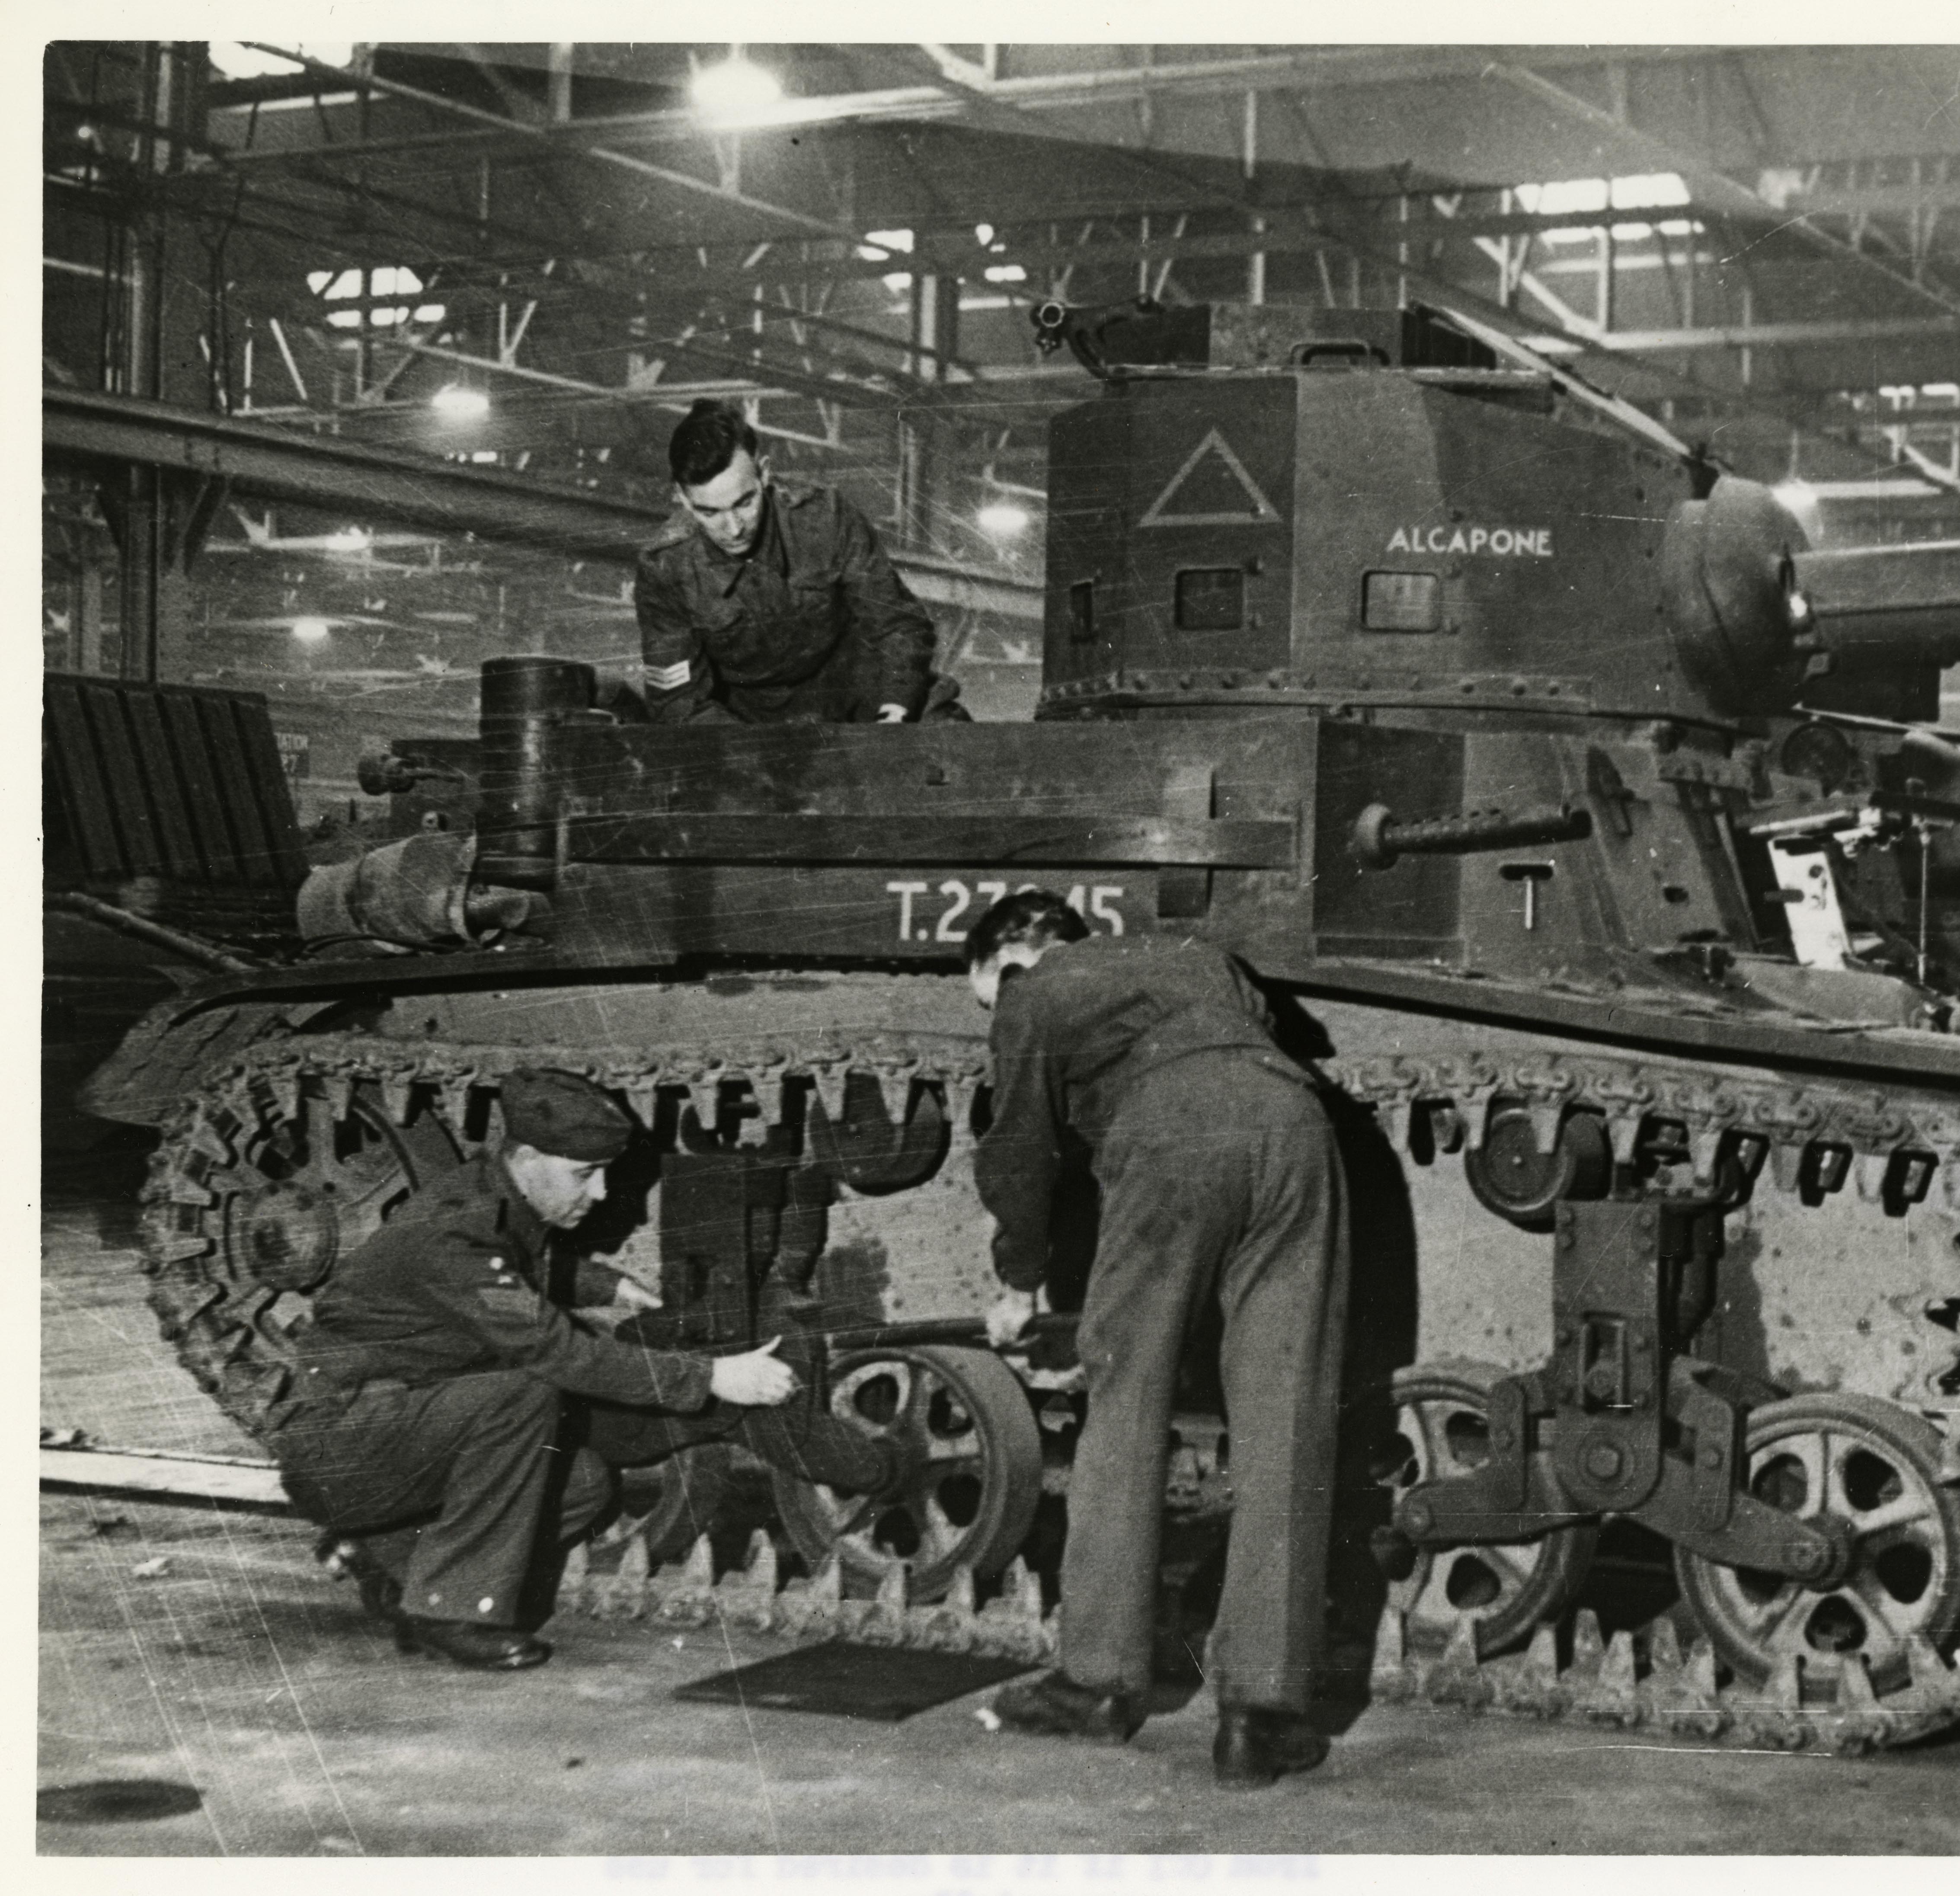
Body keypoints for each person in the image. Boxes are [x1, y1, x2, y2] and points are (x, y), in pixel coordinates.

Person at [272, 1068, 878, 1672]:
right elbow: (552, 1349)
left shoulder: (490, 1198)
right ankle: (448, 1609)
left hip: (396, 1427)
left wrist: (606, 1284)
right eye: (584, 1174)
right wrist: (711, 1378)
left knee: (584, 1484)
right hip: (340, 1443)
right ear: (529, 1156)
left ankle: (390, 1560)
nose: (602, 1192)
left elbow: (507, 1275)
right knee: (524, 1396)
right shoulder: (455, 1232)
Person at [966, 892, 1351, 1788]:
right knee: (1286, 1412)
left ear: (1011, 957)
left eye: (984, 999)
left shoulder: (1034, 986)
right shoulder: (1193, 955)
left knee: (1125, 1394)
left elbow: (1019, 1147)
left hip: (1172, 1130)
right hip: (1296, 1128)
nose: (992, 1016)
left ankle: (1096, 1683)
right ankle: (1263, 1714)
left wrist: (1019, 1280)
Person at [634, 398, 938, 726]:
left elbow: (897, 625)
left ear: (764, 473)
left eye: (745, 502)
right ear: (682, 497)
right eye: (710, 513)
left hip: (856, 698)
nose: (734, 528)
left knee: (948, 735)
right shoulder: (667, 566)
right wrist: (752, 757)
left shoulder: (826, 520)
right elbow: (679, 700)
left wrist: (892, 714)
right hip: (746, 723)